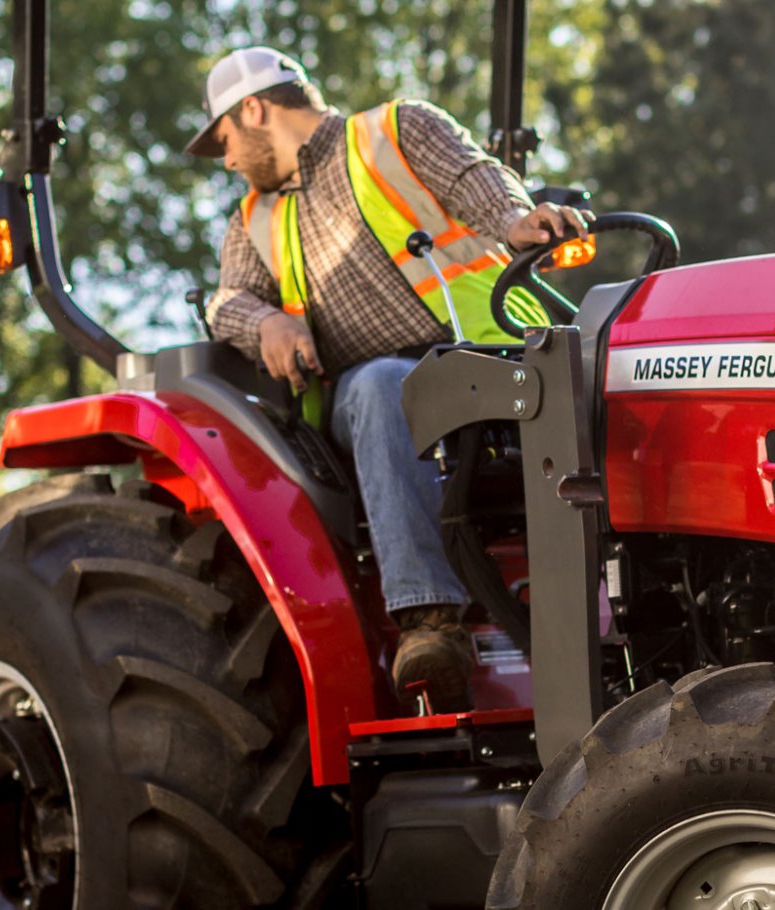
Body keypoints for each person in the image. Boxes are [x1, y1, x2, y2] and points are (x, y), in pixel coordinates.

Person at [185, 47, 591, 713]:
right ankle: (430, 623)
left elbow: (476, 183)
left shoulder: (396, 132)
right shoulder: (252, 219)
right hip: (375, 393)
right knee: (379, 386)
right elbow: (225, 301)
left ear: (254, 108)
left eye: (225, 138)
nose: (227, 160)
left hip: (488, 362)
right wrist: (263, 324)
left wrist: (518, 219)